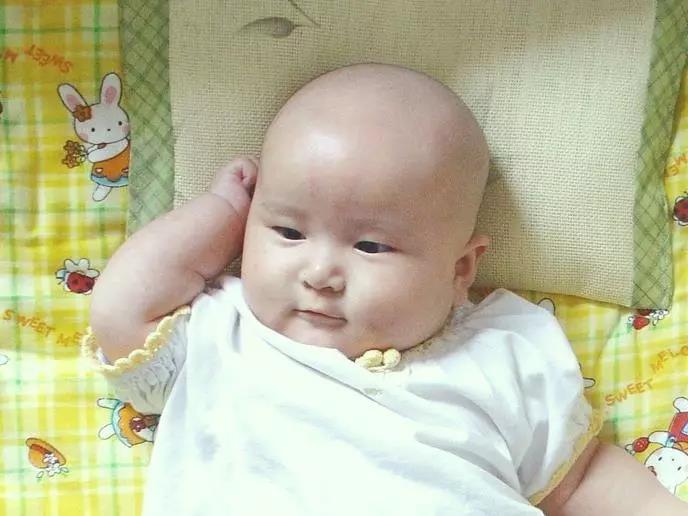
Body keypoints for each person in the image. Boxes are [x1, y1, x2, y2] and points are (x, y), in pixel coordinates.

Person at [82, 63, 687, 515]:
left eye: (370, 246)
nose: (320, 272)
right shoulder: (221, 334)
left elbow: (580, 482)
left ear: (460, 269)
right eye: (288, 231)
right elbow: (119, 309)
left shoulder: (502, 352)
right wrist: (221, 212)